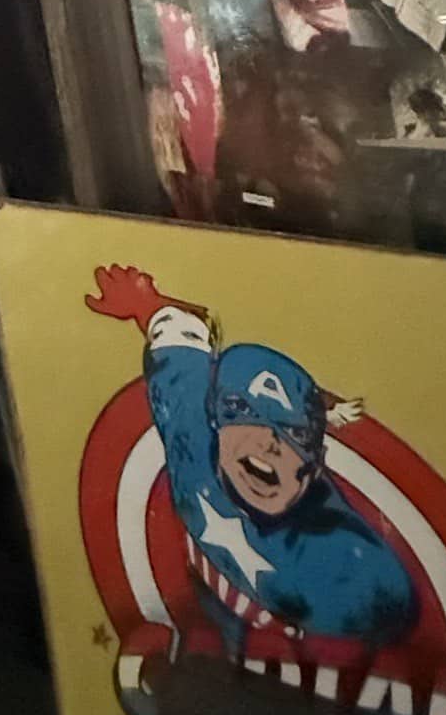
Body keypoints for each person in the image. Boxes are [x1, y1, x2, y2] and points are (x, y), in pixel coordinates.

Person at [87, 263, 419, 651]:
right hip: (217, 605)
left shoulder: (354, 574)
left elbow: (392, 623)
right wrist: (148, 305)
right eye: (247, 417)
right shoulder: (191, 438)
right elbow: (179, 360)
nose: (268, 444)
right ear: (217, 422)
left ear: (313, 466)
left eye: (292, 434)